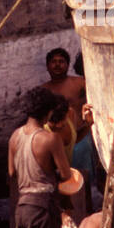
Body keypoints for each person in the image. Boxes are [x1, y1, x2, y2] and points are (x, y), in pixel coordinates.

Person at [8, 87, 75, 228]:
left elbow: (12, 173)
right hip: (43, 205)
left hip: (22, 206)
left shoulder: (15, 136)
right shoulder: (50, 139)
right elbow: (66, 175)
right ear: (48, 112)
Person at [42, 48, 95, 210]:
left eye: (61, 62)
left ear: (67, 64)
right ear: (47, 66)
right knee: (65, 178)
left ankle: (87, 206)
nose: (57, 65)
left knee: (85, 176)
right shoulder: (44, 90)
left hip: (81, 136)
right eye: (53, 62)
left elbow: (96, 95)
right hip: (57, 142)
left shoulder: (79, 83)